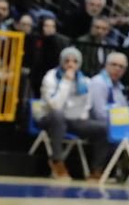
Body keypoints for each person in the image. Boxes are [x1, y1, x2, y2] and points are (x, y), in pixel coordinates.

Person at [39, 46, 105, 181]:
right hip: (49, 117)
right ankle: (57, 161)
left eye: (75, 61)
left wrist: (81, 117)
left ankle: (96, 170)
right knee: (58, 115)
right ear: (61, 62)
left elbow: (86, 105)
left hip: (73, 119)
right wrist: (66, 81)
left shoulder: (85, 81)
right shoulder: (50, 77)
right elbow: (55, 105)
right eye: (67, 61)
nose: (70, 64)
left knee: (103, 128)